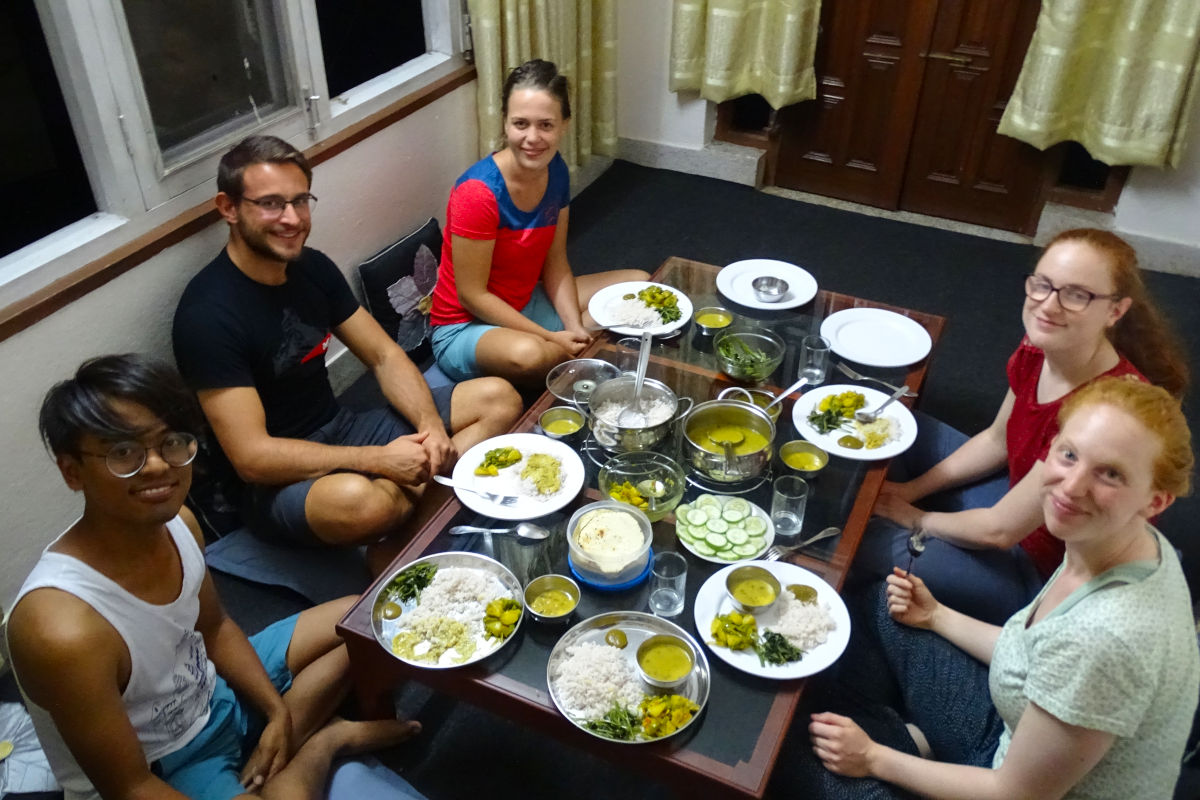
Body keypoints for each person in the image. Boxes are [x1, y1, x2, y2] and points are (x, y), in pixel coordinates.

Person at [5, 354, 423, 800]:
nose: (157, 466)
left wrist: (274, 710)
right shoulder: (61, 628)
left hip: (212, 690)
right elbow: (129, 787)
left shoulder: (180, 523)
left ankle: (283, 735)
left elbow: (216, 628)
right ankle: (326, 741)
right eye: (123, 453)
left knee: (368, 617)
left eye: (171, 443)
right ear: (72, 471)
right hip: (167, 763)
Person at [807, 377, 1199, 799]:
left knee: (795, 760)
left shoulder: (1105, 640)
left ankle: (902, 757)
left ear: (1155, 501)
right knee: (877, 607)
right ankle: (913, 748)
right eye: (1069, 455)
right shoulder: (1124, 542)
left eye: (1111, 474)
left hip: (1012, 785)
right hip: (1017, 728)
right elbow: (1035, 652)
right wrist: (936, 616)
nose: (1071, 486)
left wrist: (872, 758)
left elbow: (1014, 794)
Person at [173, 135, 523, 572]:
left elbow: (382, 355)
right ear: (228, 208)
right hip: (276, 480)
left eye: (301, 201)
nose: (292, 218)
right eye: (271, 204)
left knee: (499, 398)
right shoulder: (207, 316)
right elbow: (252, 458)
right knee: (365, 503)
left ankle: (402, 537)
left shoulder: (312, 266)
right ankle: (423, 502)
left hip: (342, 426)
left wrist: (429, 427)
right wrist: (378, 461)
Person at [857, 228, 1188, 622]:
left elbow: (998, 531)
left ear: (1115, 311)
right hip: (1019, 496)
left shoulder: (1099, 413)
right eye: (1043, 286)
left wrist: (912, 515)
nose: (1049, 306)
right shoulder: (1041, 345)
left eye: (1077, 295)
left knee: (861, 536)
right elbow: (998, 440)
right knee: (892, 424)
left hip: (1039, 570)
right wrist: (909, 490)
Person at [429, 59, 650, 386]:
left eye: (545, 125)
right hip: (466, 325)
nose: (532, 138)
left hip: (524, 301)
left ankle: (568, 353)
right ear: (504, 123)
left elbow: (556, 260)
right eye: (521, 124)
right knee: (532, 353)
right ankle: (568, 355)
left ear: (565, 124)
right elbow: (472, 296)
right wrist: (549, 335)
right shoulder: (477, 193)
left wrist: (572, 327)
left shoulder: (556, 170)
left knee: (639, 284)